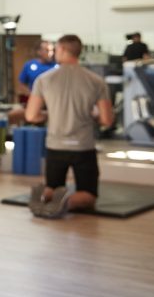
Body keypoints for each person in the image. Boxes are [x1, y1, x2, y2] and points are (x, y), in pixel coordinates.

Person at [25, 34, 114, 218]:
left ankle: (46, 197)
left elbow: (31, 116)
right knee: (88, 196)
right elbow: (107, 120)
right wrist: (94, 116)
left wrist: (51, 114)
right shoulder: (96, 80)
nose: (55, 53)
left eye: (56, 49)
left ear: (63, 50)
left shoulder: (43, 79)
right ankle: (66, 202)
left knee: (53, 187)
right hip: (83, 146)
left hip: (55, 146)